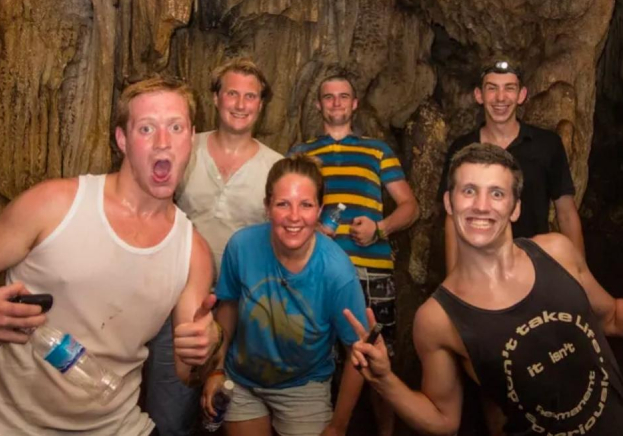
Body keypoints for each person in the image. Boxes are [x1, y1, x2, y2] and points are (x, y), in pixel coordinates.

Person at [345, 143, 623, 436]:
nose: (481, 206)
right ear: (449, 202)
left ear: (514, 207)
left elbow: (616, 318)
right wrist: (385, 380)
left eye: (496, 193)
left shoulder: (556, 251)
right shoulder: (437, 318)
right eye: (468, 191)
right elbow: (444, 419)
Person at [0, 75, 219, 435]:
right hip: (8, 428)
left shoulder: (193, 252)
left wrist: (204, 349)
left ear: (191, 137)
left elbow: (187, 373)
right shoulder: (54, 205)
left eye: (175, 127)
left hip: (119, 427)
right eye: (146, 129)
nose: (163, 142)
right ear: (122, 140)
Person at [145, 58, 282, 436]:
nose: (240, 104)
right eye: (232, 93)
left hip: (244, 308)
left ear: (261, 104)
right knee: (169, 411)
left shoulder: (276, 167)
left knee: (232, 412)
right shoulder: (183, 147)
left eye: (250, 96)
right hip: (180, 302)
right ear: (216, 98)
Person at [288, 73, 419, 436]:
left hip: (371, 270)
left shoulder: (377, 150)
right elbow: (287, 209)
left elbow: (411, 207)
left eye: (343, 96)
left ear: (354, 103)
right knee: (318, 356)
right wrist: (312, 228)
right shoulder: (301, 153)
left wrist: (380, 228)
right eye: (328, 97)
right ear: (318, 105)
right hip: (317, 270)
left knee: (378, 359)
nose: (336, 103)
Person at [203, 154, 368, 436]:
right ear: (267, 207)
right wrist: (215, 369)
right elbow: (228, 306)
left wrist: (338, 426)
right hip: (242, 380)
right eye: (283, 204)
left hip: (304, 386)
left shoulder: (337, 272)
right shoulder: (241, 246)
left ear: (319, 210)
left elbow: (359, 350)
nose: (294, 217)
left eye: (306, 205)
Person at [439, 60, 584, 272]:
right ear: (479, 95)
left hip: (536, 267)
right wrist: (453, 280)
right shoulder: (462, 149)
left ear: (521, 95)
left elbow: (567, 213)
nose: (500, 98)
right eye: (492, 88)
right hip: (478, 267)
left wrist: (579, 275)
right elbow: (452, 218)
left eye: (509, 88)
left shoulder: (547, 144)